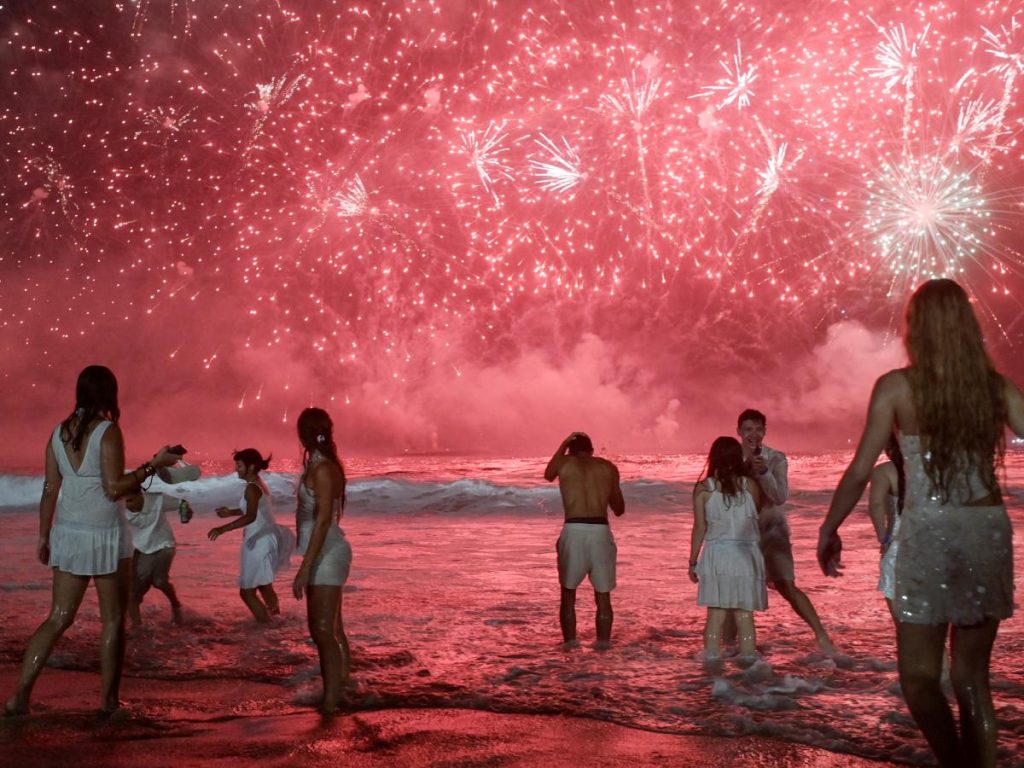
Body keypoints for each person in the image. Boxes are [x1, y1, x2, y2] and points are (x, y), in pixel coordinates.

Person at [817, 279, 1023, 768]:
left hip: (930, 531)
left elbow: (862, 468)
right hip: (986, 530)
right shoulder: (995, 389)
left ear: (917, 329)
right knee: (974, 679)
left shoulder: (897, 387)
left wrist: (829, 527)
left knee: (920, 677)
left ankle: (954, 762)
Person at [5, 365, 181, 716]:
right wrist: (152, 465)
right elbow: (114, 488)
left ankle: (18, 695)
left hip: (69, 533)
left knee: (57, 617)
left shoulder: (57, 433)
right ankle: (109, 703)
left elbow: (50, 489)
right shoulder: (108, 431)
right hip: (105, 537)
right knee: (113, 620)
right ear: (108, 394)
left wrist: (43, 535)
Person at [733, 408, 833, 651]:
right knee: (736, 592)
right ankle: (731, 647)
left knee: (786, 585)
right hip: (741, 532)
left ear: (765, 432)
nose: (753, 434)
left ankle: (822, 636)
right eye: (748, 429)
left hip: (772, 530)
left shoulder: (777, 458)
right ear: (739, 432)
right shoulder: (732, 459)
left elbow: (780, 497)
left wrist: (764, 472)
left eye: (758, 429)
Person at [291, 407, 353, 715]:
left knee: (323, 630)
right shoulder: (318, 465)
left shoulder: (324, 469)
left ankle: (332, 701)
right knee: (332, 629)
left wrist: (304, 568)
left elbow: (323, 521)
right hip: (320, 552)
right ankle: (342, 685)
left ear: (303, 433)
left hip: (327, 553)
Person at [543, 432, 625, 647]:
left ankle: (570, 645)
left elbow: (548, 474)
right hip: (600, 530)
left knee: (568, 593)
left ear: (570, 449)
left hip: (574, 528)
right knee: (603, 595)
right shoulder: (607, 468)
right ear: (592, 450)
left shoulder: (565, 463)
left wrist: (563, 443)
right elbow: (619, 509)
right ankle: (603, 646)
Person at [689, 437, 766, 658]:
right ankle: (749, 664)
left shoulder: (704, 489)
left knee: (716, 614)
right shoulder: (750, 485)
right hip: (747, 554)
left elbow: (699, 528)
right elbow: (757, 518)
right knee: (744, 615)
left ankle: (711, 664)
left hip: (716, 555)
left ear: (713, 458)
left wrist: (693, 562)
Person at [208, 449, 293, 623]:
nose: (236, 469)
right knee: (264, 585)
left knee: (246, 592)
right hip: (267, 537)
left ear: (251, 466)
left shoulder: (251, 488)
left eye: (239, 465)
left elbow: (251, 516)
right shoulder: (258, 484)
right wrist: (230, 512)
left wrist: (223, 529)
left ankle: (266, 625)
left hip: (259, 540)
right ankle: (276, 620)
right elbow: (253, 510)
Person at [124, 489, 191, 626]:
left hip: (164, 545)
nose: (128, 505)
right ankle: (137, 627)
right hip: (142, 549)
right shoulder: (121, 510)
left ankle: (176, 605)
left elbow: (182, 502)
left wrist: (186, 512)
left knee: (159, 581)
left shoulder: (157, 500)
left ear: (139, 494)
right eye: (125, 501)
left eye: (130, 500)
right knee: (132, 593)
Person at [867, 434, 905, 621]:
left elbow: (875, 506)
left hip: (898, 545)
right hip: (933, 544)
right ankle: (942, 650)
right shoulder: (933, 470)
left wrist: (883, 539)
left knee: (903, 621)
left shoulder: (884, 471)